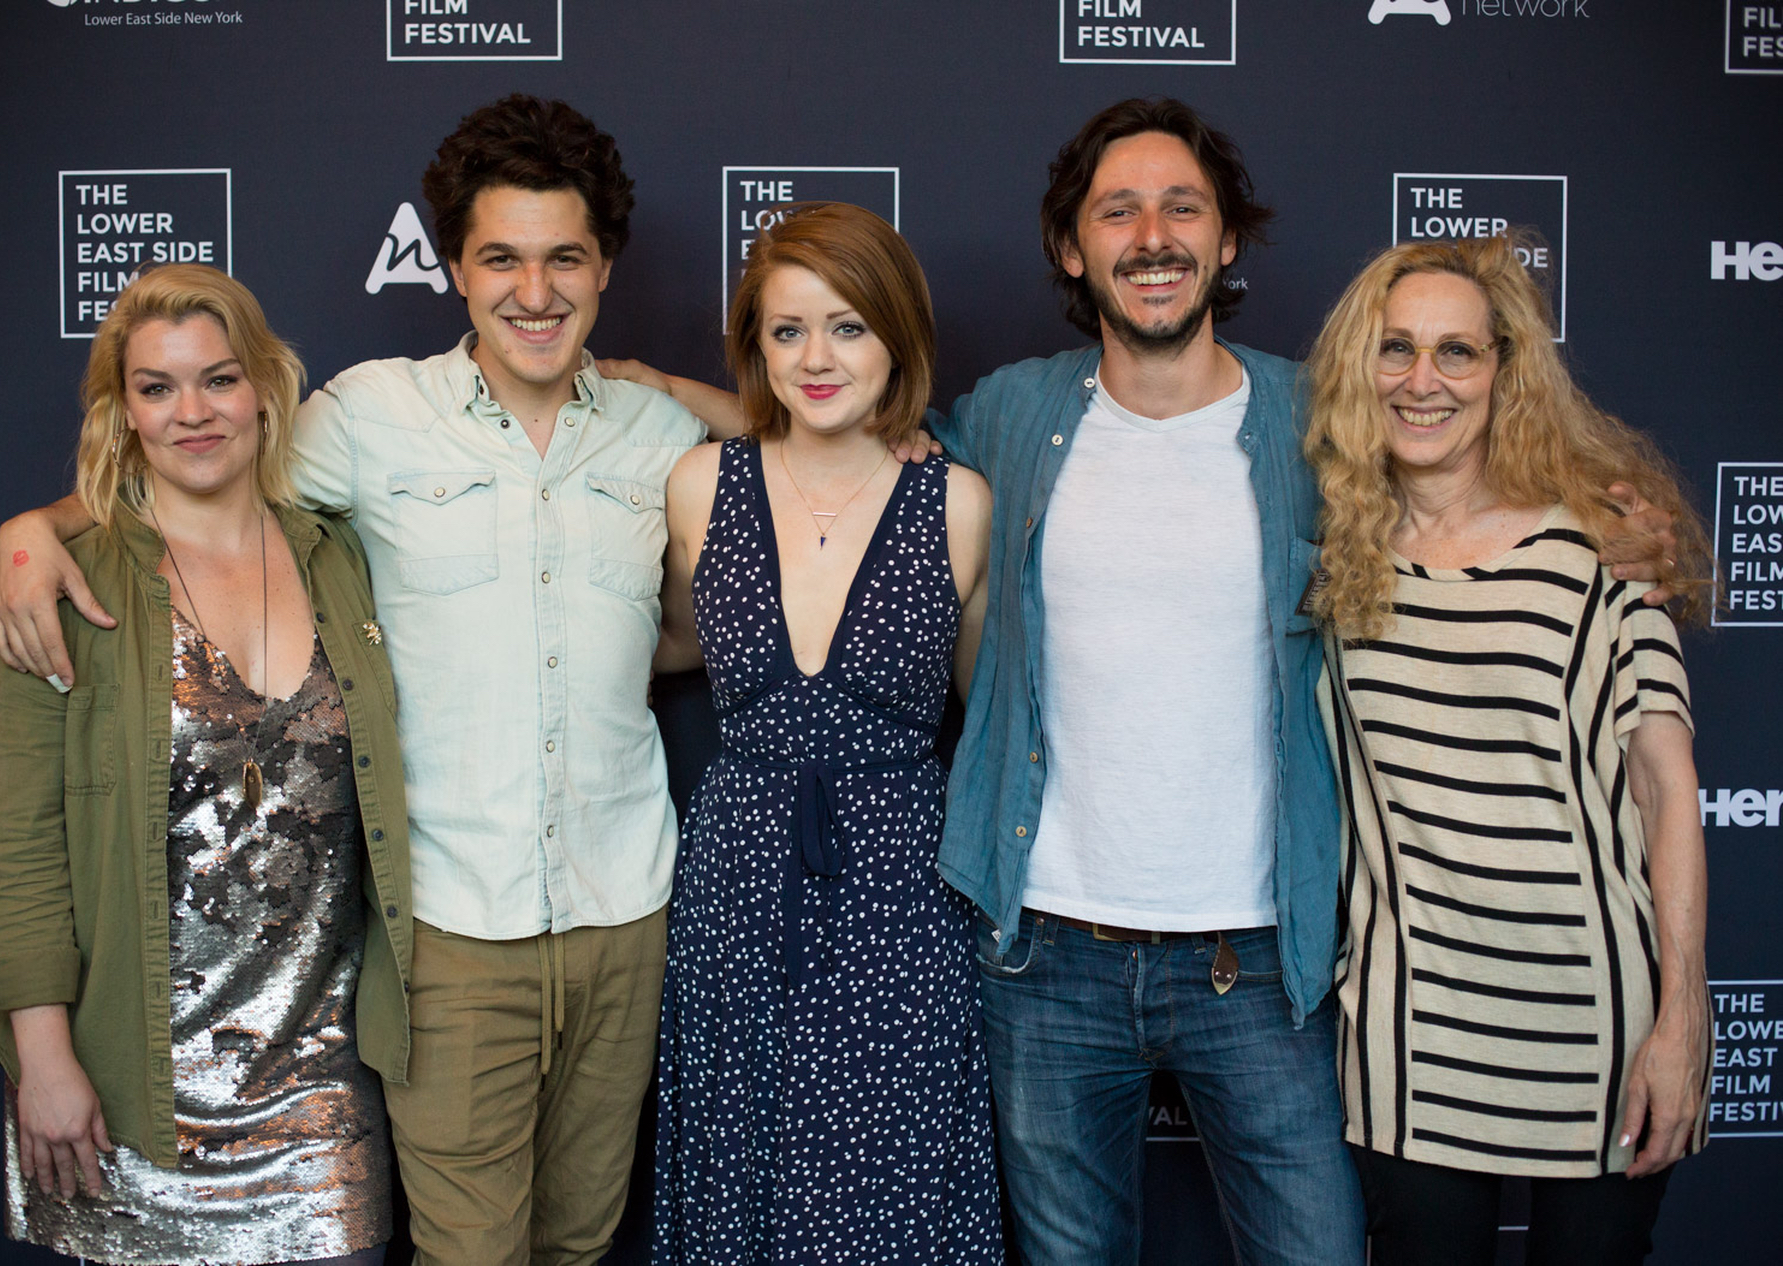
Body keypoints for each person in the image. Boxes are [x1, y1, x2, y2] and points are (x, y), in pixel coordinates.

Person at [606, 97, 1681, 1265]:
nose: (1152, 235)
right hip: (1044, 958)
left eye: (1182, 207)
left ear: (1227, 242)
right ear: (1073, 250)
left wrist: (1608, 505)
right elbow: (838, 438)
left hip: (1262, 962)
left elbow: (1468, 454)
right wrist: (647, 390)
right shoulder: (1014, 416)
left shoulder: (1314, 418)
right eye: (1117, 211)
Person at [0, 96, 709, 1266]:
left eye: (564, 257)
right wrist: (39, 528)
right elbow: (202, 468)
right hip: (454, 930)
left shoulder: (659, 430)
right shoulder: (368, 417)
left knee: (582, 1243)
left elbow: (794, 450)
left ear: (605, 266)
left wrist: (666, 379)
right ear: (455, 270)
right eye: (501, 259)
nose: (535, 290)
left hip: (629, 913)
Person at [0, 263, 412, 1266]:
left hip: (324, 1082)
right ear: (122, 413)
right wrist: (43, 1058)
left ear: (263, 385)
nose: (191, 412)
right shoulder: (62, 587)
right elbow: (23, 848)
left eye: (217, 379)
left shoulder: (341, 553)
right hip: (132, 1085)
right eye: (156, 388)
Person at [1304, 235, 1711, 1265]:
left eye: (1457, 352)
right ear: (1361, 368)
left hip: (1598, 1027)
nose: (1422, 381)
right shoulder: (1331, 556)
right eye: (1395, 350)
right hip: (1413, 1033)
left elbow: (1666, 789)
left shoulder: (1606, 549)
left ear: (1504, 370)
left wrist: (1680, 1015)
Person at [651, 202, 1000, 1263]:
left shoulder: (958, 503)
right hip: (737, 886)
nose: (816, 356)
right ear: (753, 345)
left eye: (847, 326)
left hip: (900, 891)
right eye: (787, 329)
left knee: (891, 1184)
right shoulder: (701, 485)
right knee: (740, 1172)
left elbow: (982, 709)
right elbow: (670, 645)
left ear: (895, 336)